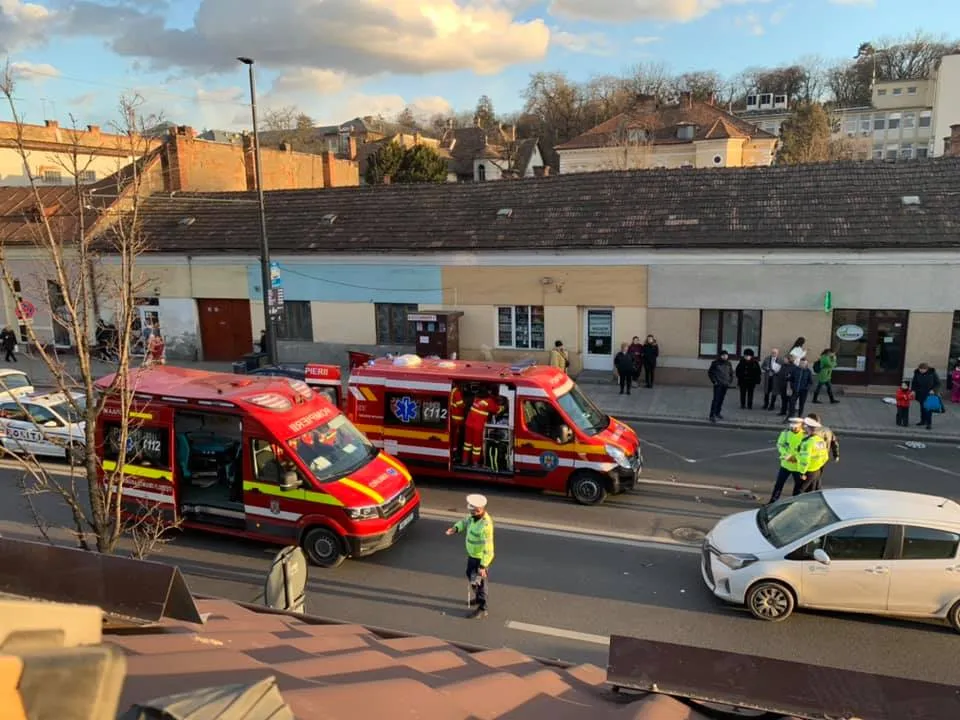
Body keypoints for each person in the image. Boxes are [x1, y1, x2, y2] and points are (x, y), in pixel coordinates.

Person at [445, 494, 494, 619]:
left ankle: (483, 608)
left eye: (473, 510)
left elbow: (489, 549)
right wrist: (455, 528)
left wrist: (483, 566)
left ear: (479, 509)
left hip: (480, 559)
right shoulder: (472, 517)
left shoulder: (485, 526)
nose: (470, 513)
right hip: (472, 556)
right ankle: (478, 598)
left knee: (480, 583)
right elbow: (464, 522)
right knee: (471, 576)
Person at [769, 417, 804, 504]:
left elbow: (805, 451)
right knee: (779, 484)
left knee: (798, 486)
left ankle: (794, 503)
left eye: (795, 427)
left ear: (801, 426)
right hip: (785, 464)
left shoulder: (805, 436)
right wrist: (787, 456)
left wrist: (796, 458)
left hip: (797, 466)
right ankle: (773, 502)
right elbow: (780, 445)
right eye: (792, 427)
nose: (793, 429)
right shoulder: (785, 433)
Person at [793, 417, 829, 495]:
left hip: (808, 471)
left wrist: (802, 472)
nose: (804, 428)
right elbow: (825, 456)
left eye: (806, 426)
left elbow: (804, 460)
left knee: (798, 491)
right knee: (812, 492)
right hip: (816, 470)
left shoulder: (807, 443)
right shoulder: (820, 440)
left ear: (809, 428)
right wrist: (817, 465)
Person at [462, 391, 497, 466]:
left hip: (469, 424)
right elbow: (495, 409)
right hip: (478, 426)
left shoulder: (476, 398)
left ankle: (465, 461)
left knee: (467, 444)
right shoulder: (489, 401)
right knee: (477, 445)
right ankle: (475, 462)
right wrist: (503, 407)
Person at [805, 412, 839, 482]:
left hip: (813, 459)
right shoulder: (827, 430)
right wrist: (836, 455)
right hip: (823, 457)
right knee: (818, 475)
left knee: (809, 477)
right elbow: (834, 442)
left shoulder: (811, 432)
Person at [910, 363, 941, 430]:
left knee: (928, 409)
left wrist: (933, 390)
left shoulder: (932, 373)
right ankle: (923, 421)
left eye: (923, 369)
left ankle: (929, 424)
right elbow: (914, 383)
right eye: (920, 369)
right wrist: (913, 390)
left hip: (930, 394)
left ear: (927, 369)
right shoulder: (917, 373)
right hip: (920, 393)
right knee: (922, 408)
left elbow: (938, 383)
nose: (921, 371)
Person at [707, 350, 734, 423]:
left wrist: (729, 381)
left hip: (725, 384)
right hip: (718, 384)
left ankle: (717, 413)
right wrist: (714, 381)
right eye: (723, 355)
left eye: (726, 355)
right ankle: (712, 415)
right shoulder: (715, 363)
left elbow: (731, 373)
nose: (725, 357)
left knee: (721, 399)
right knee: (716, 400)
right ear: (720, 356)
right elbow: (710, 373)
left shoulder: (728, 363)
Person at [449, 385, 467, 458]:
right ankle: (455, 454)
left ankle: (454, 453)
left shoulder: (454, 390)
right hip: (457, 420)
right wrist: (465, 405)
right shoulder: (457, 392)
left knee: (454, 437)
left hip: (454, 418)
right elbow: (461, 405)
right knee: (456, 438)